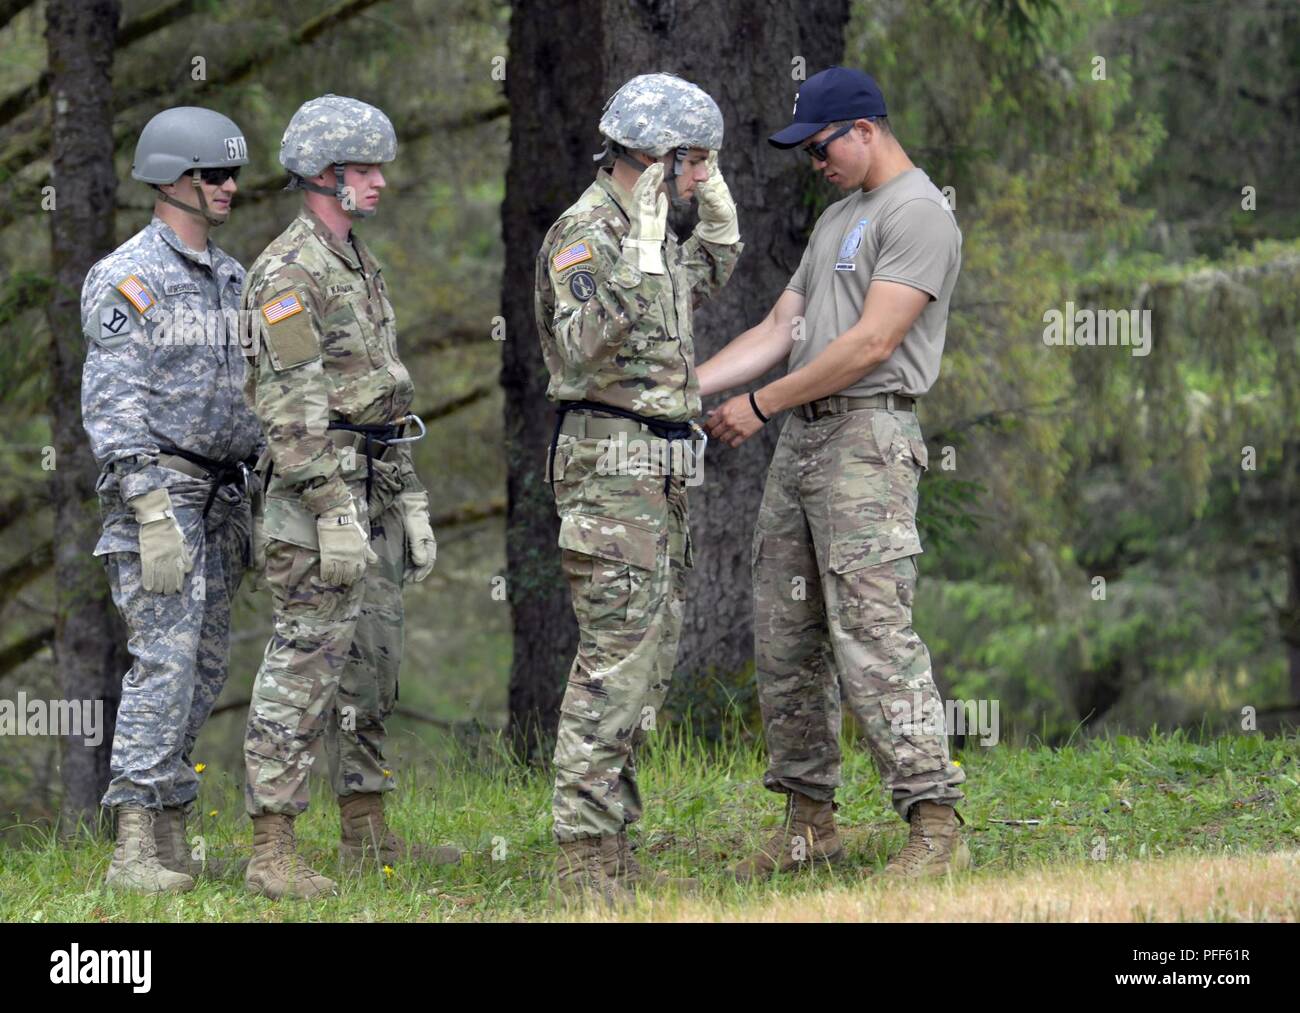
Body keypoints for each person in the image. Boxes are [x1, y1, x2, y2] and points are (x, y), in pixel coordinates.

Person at [698, 66, 969, 880]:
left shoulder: (920, 212)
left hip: (866, 442)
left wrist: (761, 404)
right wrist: (688, 383)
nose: (815, 164)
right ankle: (808, 825)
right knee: (786, 637)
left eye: (821, 148)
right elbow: (785, 323)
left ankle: (934, 822)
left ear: (865, 129)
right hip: (805, 446)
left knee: (875, 632)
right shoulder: (839, 219)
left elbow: (873, 344)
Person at [240, 94, 458, 900]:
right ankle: (272, 847)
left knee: (372, 660)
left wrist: (409, 500)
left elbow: (379, 396)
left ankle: (365, 828)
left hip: (372, 480)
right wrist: (332, 509)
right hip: (316, 495)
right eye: (366, 169)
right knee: (306, 660)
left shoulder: (354, 260)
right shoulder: (290, 272)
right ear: (327, 175)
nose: (381, 182)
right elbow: (288, 412)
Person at [534, 72, 743, 904]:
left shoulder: (649, 227)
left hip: (660, 462)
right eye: (699, 166)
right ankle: (583, 855)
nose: (703, 180)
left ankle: (613, 840)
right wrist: (641, 249)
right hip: (609, 460)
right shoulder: (588, 233)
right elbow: (580, 345)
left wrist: (708, 215)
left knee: (648, 660)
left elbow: (710, 272)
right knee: (613, 661)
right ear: (660, 160)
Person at [81, 106, 262, 893]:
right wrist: (149, 508)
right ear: (174, 181)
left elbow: (256, 387)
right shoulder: (130, 276)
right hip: (161, 498)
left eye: (232, 175)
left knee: (204, 668)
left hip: (222, 498)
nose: (228, 188)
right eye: (213, 175)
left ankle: (171, 831)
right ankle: (130, 847)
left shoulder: (230, 276)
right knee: (162, 662)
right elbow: (113, 403)